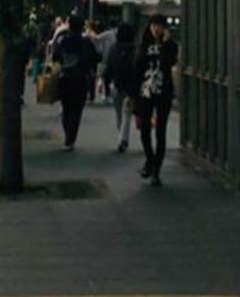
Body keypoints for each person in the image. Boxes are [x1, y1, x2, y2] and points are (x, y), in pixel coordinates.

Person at [134, 15, 178, 183]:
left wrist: (166, 43)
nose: (156, 29)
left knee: (161, 131)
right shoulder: (144, 45)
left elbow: (169, 62)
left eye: (159, 26)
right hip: (145, 92)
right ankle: (149, 159)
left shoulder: (170, 46)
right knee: (144, 128)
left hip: (163, 92)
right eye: (154, 25)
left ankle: (156, 170)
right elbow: (137, 67)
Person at [52, 13, 98, 151]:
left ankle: (68, 135)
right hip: (80, 79)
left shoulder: (62, 40)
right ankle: (70, 139)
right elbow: (94, 58)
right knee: (76, 111)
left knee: (66, 109)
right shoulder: (86, 42)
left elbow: (55, 58)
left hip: (64, 78)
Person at [104, 22, 138, 153]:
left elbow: (108, 68)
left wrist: (107, 85)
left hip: (115, 85)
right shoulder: (135, 50)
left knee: (119, 113)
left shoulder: (113, 49)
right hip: (130, 87)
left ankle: (122, 138)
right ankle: (123, 139)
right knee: (127, 114)